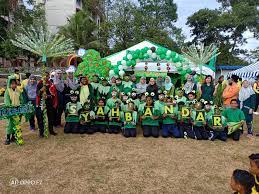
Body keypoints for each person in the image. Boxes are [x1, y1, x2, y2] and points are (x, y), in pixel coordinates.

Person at [36, 72, 58, 137]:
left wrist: (47, 96)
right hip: (41, 103)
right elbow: (37, 93)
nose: (46, 77)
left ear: (49, 77)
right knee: (41, 118)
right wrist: (41, 90)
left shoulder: (51, 84)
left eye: (47, 76)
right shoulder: (40, 83)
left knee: (50, 117)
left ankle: (51, 131)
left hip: (49, 103)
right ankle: (41, 132)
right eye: (44, 76)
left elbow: (53, 94)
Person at [4, 75, 24, 145]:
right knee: (10, 124)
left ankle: (14, 137)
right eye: (12, 84)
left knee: (17, 123)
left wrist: (21, 106)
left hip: (18, 109)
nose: (13, 85)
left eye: (14, 83)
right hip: (11, 109)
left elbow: (21, 99)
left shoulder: (18, 90)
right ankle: (8, 138)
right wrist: (9, 106)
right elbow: (7, 101)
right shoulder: (7, 91)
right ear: (9, 84)